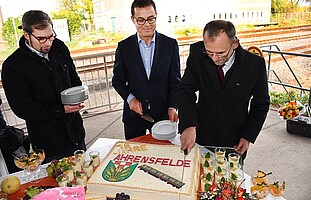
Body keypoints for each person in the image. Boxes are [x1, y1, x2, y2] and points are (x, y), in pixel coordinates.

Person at [1, 10, 86, 163]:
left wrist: (78, 93)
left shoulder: (59, 47)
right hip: (49, 144)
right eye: (41, 39)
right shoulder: (13, 66)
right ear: (27, 35)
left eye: (51, 36)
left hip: (75, 133)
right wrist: (61, 109)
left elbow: (74, 78)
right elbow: (23, 108)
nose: (48, 43)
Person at [178, 20, 270, 159]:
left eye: (220, 53)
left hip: (234, 141)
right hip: (201, 135)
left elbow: (261, 104)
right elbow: (186, 89)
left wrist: (248, 136)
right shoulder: (197, 52)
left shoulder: (254, 65)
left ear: (234, 44)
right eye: (209, 52)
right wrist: (188, 125)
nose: (214, 58)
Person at [112, 0, 181, 140]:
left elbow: (175, 81)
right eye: (141, 20)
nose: (147, 24)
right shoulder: (124, 47)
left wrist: (173, 106)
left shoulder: (170, 45)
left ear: (156, 15)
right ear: (133, 19)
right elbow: (117, 80)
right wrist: (130, 99)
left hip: (163, 115)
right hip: (133, 117)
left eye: (151, 19)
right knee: (135, 156)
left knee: (164, 156)